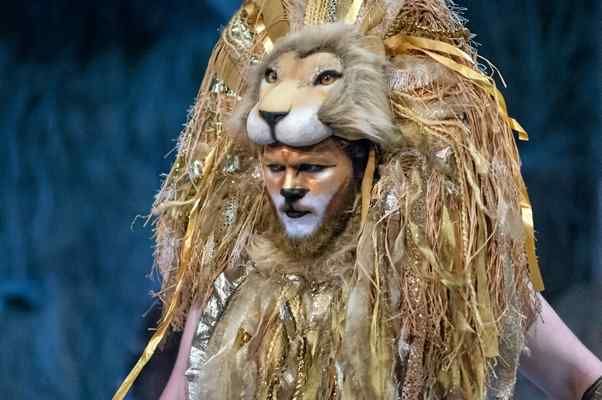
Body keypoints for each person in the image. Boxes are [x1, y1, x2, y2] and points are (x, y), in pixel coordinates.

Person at [113, 0, 602, 399]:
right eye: (274, 166)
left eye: (313, 166)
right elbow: (182, 387)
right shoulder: (235, 273)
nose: (289, 188)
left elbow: (578, 376)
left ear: (365, 164)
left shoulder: (436, 276)